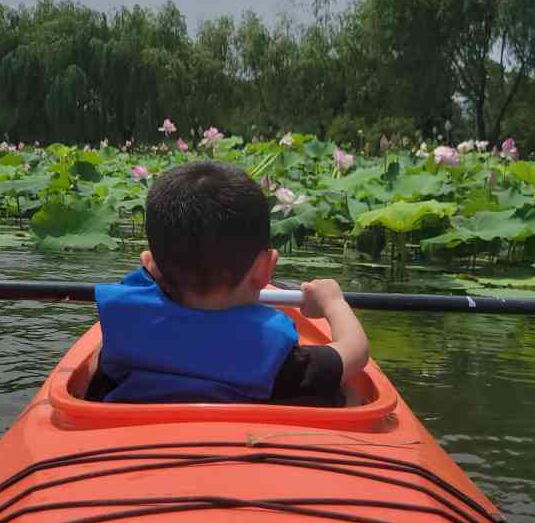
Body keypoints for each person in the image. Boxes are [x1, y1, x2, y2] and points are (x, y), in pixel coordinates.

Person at [86, 161, 368, 405]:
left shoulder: (122, 338)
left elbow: (92, 376)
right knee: (347, 395)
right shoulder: (281, 362)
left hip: (132, 445)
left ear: (150, 265)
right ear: (264, 270)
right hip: (252, 451)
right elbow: (355, 351)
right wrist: (333, 302)